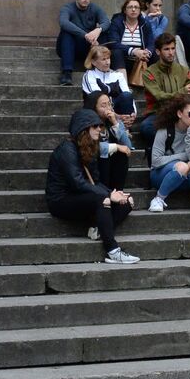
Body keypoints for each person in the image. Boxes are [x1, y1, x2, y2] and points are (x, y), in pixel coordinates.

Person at [46, 108, 139, 264]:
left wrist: (114, 194)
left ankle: (97, 230)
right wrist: (108, 196)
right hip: (60, 200)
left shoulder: (88, 147)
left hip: (82, 196)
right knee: (103, 199)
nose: (99, 129)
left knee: (127, 202)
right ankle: (113, 251)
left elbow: (94, 181)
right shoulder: (66, 149)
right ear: (83, 128)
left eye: (100, 126)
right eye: (95, 126)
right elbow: (77, 182)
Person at [138, 33, 190, 157]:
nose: (171, 52)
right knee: (146, 127)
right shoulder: (149, 72)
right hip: (158, 112)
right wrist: (183, 91)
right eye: (166, 49)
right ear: (158, 51)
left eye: (173, 48)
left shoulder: (183, 70)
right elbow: (159, 96)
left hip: (182, 111)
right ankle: (165, 152)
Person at [149, 94, 190, 212]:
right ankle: (158, 199)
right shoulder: (165, 130)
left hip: (189, 179)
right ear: (179, 114)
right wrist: (181, 157)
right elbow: (156, 161)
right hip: (162, 176)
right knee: (182, 166)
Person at [57, 0, 109, 86]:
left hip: (88, 47)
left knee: (104, 32)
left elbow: (106, 22)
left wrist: (97, 30)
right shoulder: (67, 8)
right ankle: (67, 73)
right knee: (66, 33)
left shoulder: (95, 8)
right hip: (69, 47)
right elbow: (63, 22)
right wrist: (85, 35)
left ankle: (103, 70)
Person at [85, 90, 133, 192]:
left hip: (111, 164)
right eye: (103, 105)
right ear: (94, 108)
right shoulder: (87, 122)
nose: (108, 108)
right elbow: (91, 146)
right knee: (107, 153)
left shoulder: (113, 121)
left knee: (122, 154)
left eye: (109, 104)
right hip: (94, 163)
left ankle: (118, 191)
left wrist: (115, 123)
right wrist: (116, 146)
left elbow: (128, 145)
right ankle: (105, 192)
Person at [80, 45, 137, 119]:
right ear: (93, 62)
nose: (107, 62)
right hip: (97, 112)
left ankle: (127, 123)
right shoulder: (89, 75)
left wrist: (133, 113)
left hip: (117, 110)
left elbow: (128, 94)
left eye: (108, 58)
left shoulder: (118, 75)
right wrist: (116, 117)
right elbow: (99, 100)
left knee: (126, 95)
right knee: (101, 101)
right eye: (103, 59)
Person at [106, 0, 155, 75]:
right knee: (116, 52)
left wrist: (147, 53)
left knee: (155, 55)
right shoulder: (117, 22)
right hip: (123, 58)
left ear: (140, 11)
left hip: (140, 60)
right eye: (130, 7)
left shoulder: (145, 24)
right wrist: (133, 51)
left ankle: (155, 84)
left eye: (136, 7)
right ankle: (124, 85)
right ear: (125, 10)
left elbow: (151, 42)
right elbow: (114, 43)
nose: (133, 9)